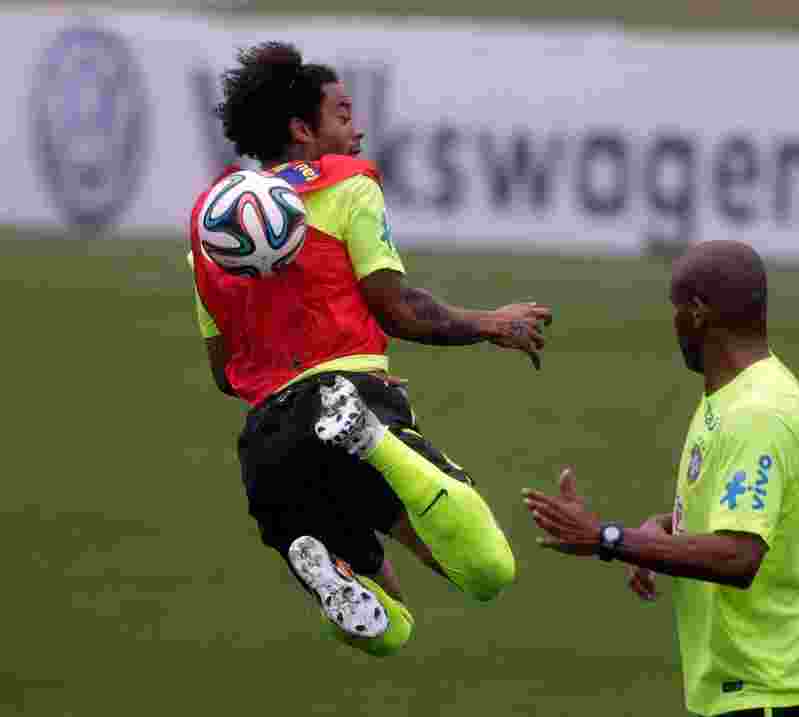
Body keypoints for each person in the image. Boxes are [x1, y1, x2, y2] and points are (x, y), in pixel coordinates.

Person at [188, 41, 552, 657]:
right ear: (302, 129)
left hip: (268, 448)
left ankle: (330, 569)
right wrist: (491, 322)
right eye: (342, 114)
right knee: (490, 572)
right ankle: (374, 441)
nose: (356, 130)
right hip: (348, 397)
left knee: (390, 625)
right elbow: (400, 309)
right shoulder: (347, 187)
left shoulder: (210, 225)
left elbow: (225, 372)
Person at [523, 240, 799, 716]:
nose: (672, 324)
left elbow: (739, 557)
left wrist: (608, 538)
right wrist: (658, 531)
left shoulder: (758, 414)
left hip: (770, 692)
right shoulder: (730, 396)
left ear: (697, 313)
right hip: (747, 689)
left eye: (675, 310)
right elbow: (730, 515)